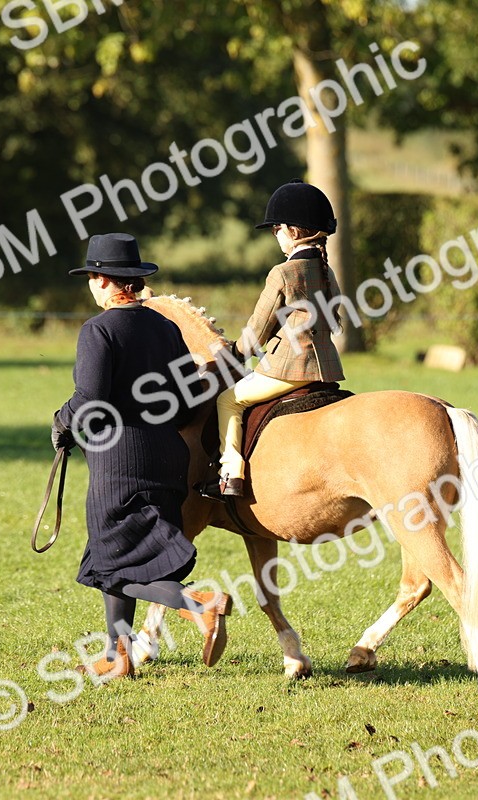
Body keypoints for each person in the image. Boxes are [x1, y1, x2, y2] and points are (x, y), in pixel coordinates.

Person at [52, 233, 232, 679]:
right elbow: (189, 400)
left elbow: (89, 397)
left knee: (114, 560)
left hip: (119, 461)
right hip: (168, 456)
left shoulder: (98, 330)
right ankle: (118, 657)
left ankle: (199, 603)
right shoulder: (166, 328)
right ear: (133, 280)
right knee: (110, 560)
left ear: (101, 281)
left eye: (93, 278)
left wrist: (61, 422)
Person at [204, 181, 346, 499]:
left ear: (293, 231)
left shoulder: (282, 273)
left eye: (276, 228)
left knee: (228, 399)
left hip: (288, 369)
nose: (275, 234)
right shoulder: (326, 272)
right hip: (328, 369)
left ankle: (231, 473)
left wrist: (232, 355)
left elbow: (258, 330)